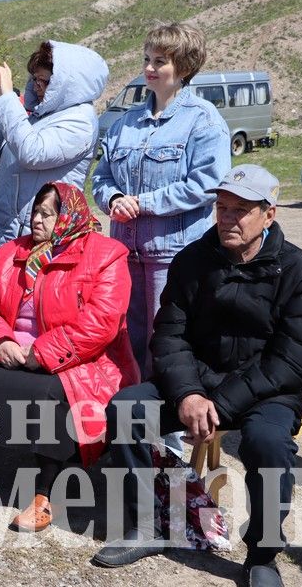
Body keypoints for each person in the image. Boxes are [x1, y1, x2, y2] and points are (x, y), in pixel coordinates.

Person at [94, 165, 302, 587]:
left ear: (268, 215)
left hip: (266, 393)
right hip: (198, 383)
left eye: (241, 210)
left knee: (268, 444)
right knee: (125, 409)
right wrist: (188, 394)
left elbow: (293, 359)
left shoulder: (298, 272)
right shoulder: (193, 260)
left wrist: (220, 404)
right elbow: (169, 334)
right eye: (222, 208)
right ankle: (149, 523)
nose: (228, 218)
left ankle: (261, 554)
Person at [0, 182, 139, 530]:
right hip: (13, 351)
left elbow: (101, 323)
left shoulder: (107, 255)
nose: (37, 221)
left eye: (48, 214)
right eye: (35, 212)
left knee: (52, 393)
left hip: (79, 359)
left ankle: (47, 493)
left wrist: (41, 352)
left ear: (68, 217)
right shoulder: (12, 251)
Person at [92, 22, 231, 378]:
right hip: (123, 254)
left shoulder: (203, 120)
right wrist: (115, 199)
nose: (149, 68)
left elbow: (207, 183)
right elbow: (102, 177)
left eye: (160, 61)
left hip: (173, 257)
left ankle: (166, 431)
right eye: (147, 59)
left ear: (183, 67)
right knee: (121, 339)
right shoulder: (125, 123)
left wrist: (145, 202)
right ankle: (130, 425)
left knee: (166, 344)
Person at [0, 40, 108, 251]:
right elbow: (5, 146)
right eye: (34, 79)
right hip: (14, 232)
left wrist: (8, 100)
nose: (36, 86)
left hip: (43, 235)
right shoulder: (41, 112)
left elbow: (31, 153)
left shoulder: (80, 121)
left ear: (66, 83)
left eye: (44, 81)